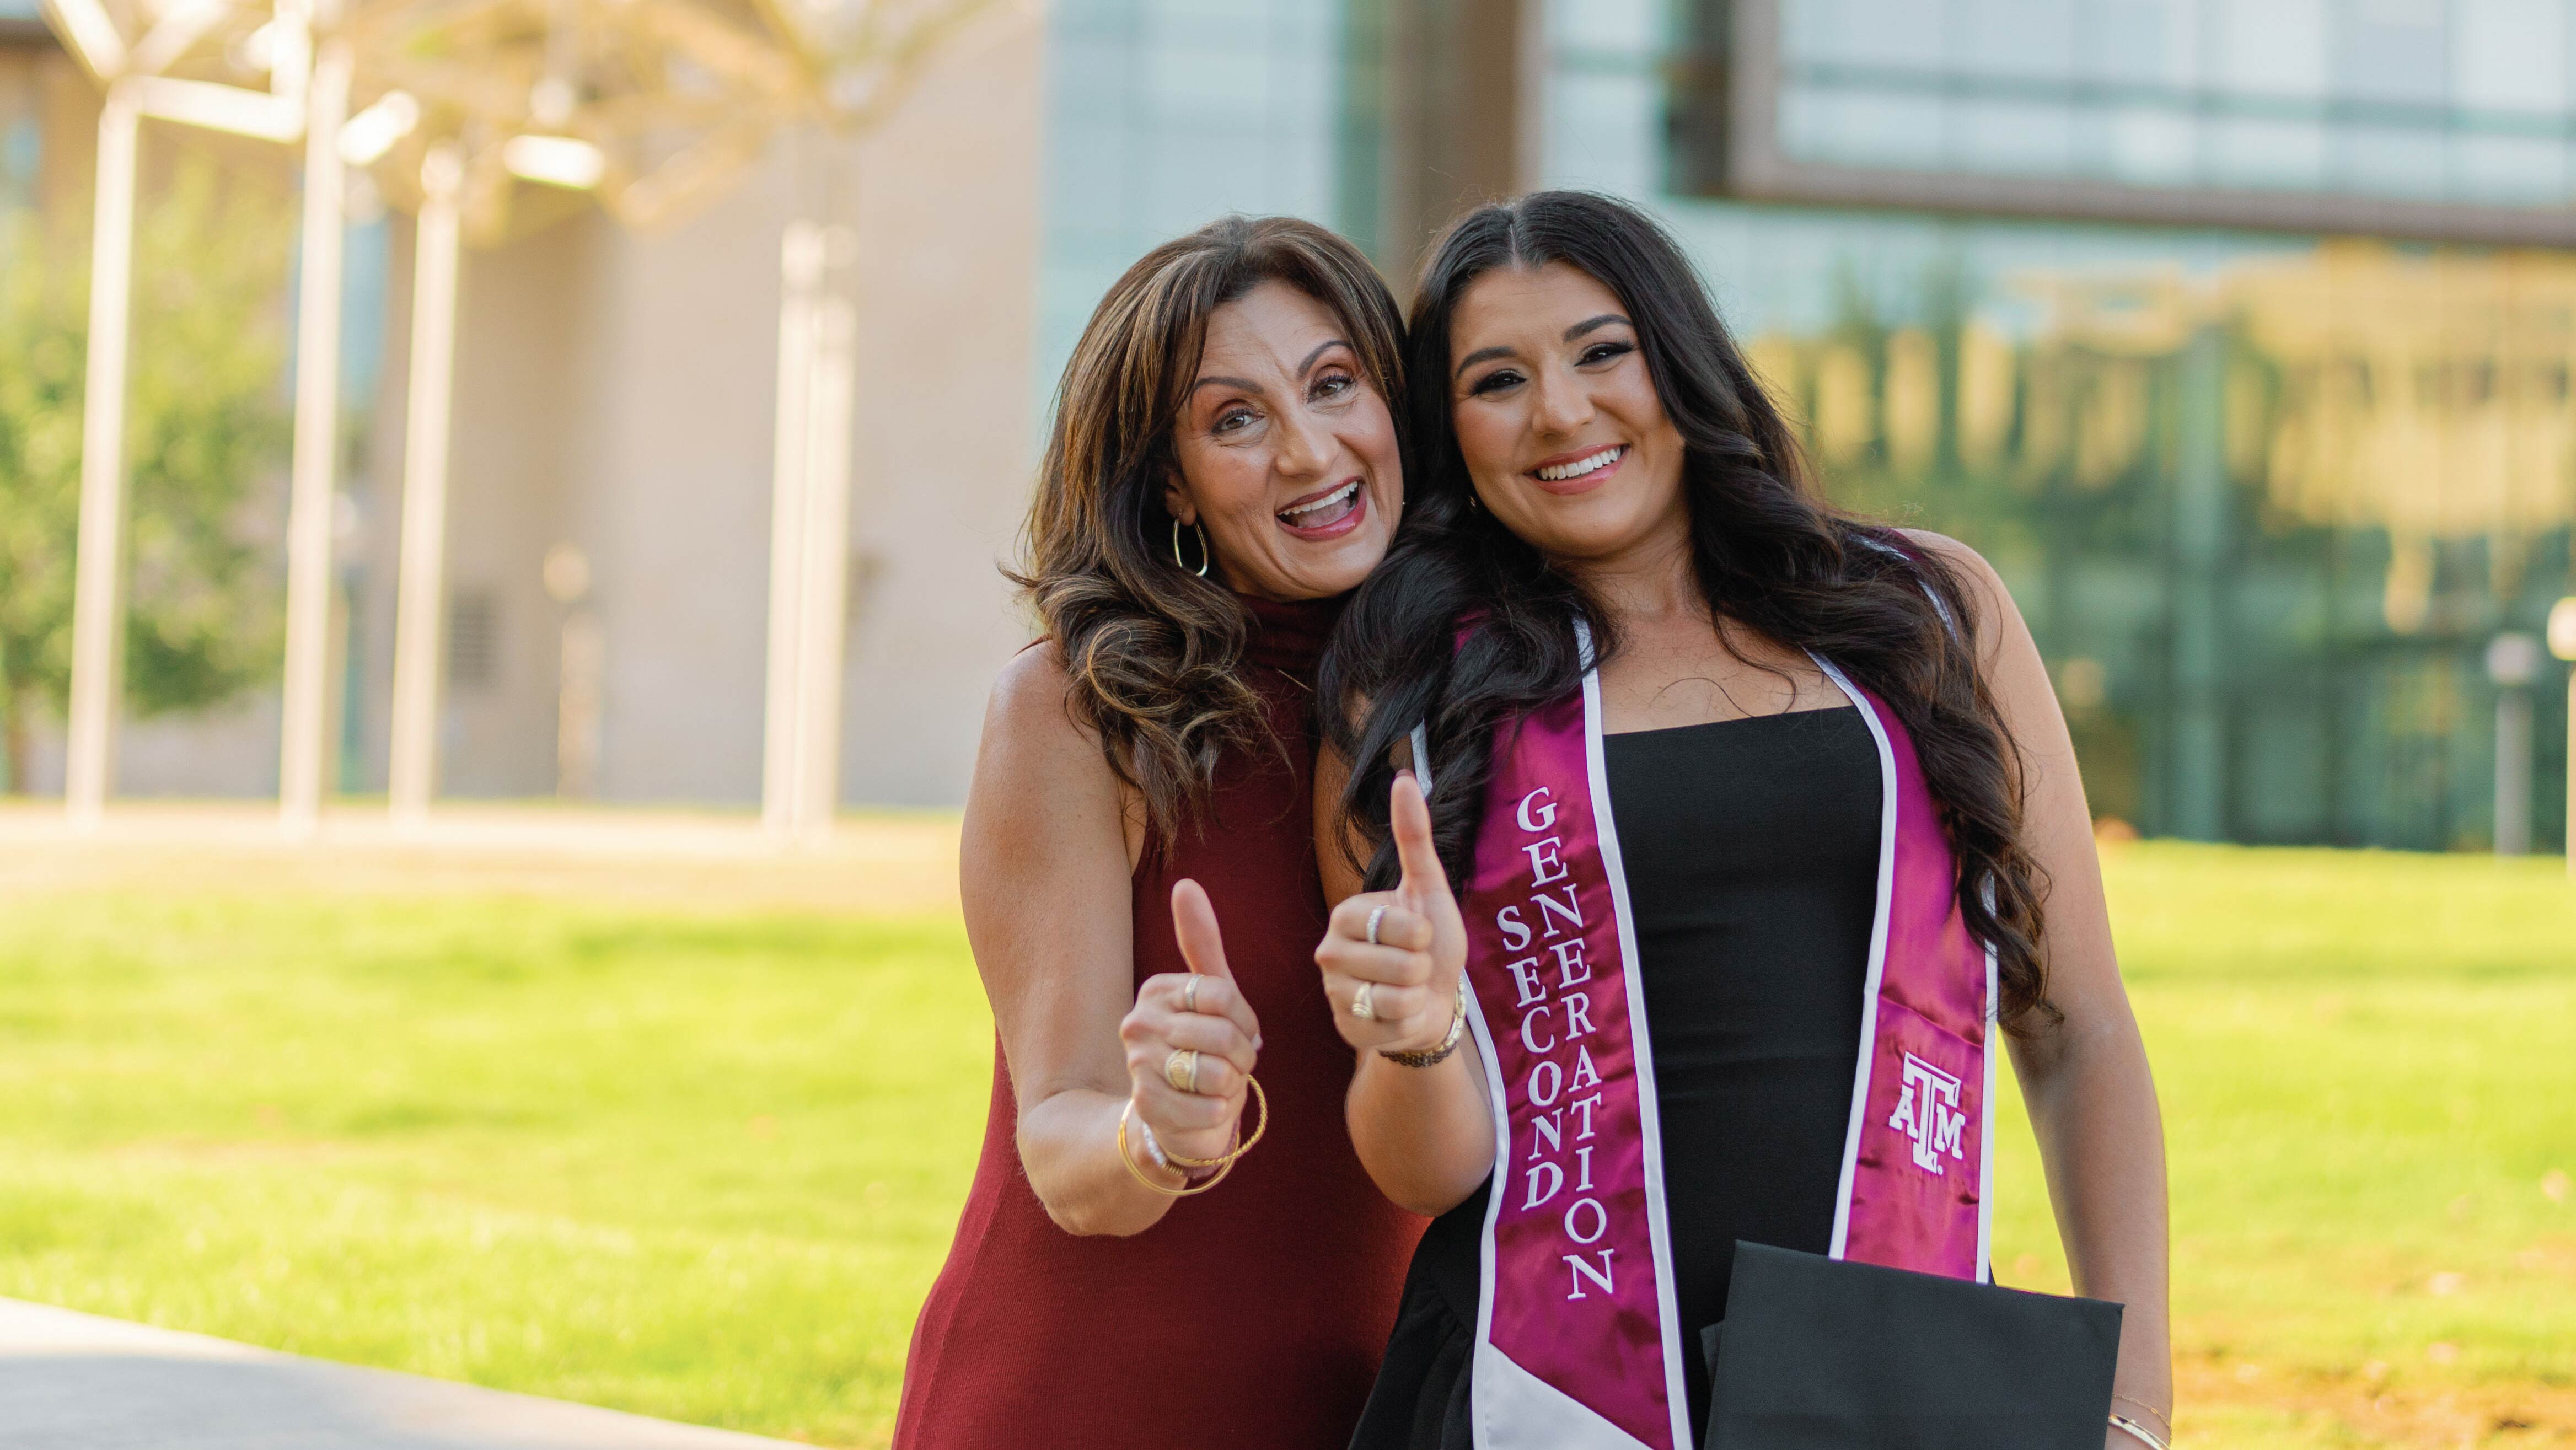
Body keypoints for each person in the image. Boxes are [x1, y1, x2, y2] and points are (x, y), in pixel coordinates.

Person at [1311, 191, 2174, 1450]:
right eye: (1496, 380)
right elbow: (1425, 1170)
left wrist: (2134, 1409)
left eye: (1602, 352)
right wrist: (1416, 1030)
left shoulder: (1924, 615)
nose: (1560, 411)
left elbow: (2075, 1022)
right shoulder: (1414, 690)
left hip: (1895, 1381)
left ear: (1681, 356)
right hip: (1543, 1395)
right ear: (1452, 432)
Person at [891, 216, 1425, 1449]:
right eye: (1234, 419)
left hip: (1382, 1404)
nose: (1308, 450)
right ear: (1170, 480)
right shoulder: (1079, 709)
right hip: (1090, 1401)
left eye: (1333, 384)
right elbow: (1064, 1140)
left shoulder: (1478, 691)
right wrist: (1152, 1130)